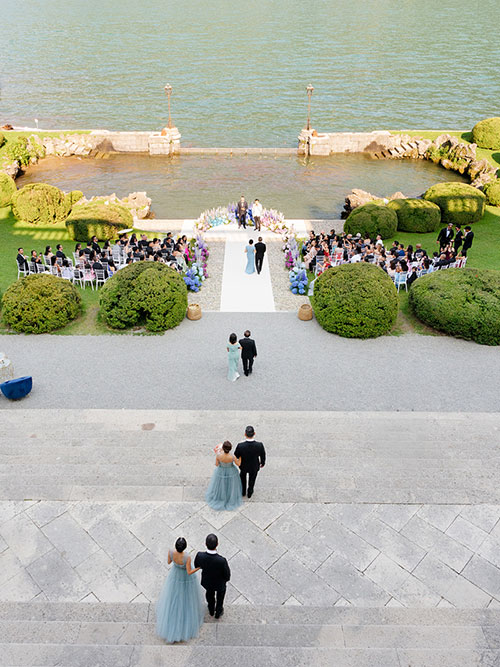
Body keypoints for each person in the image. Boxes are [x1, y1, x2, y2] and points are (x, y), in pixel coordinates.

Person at [156, 537, 204, 643]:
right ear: (185, 547)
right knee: (186, 596)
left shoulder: (171, 552)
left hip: (175, 574)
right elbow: (189, 572)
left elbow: (169, 562)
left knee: (173, 596)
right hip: (185, 577)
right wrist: (198, 568)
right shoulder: (187, 557)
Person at [194, 534, 231, 619]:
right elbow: (227, 575)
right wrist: (225, 580)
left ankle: (211, 610)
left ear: (205, 544)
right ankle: (218, 612)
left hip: (208, 582)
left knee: (209, 595)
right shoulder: (222, 560)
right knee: (220, 598)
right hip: (220, 584)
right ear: (217, 544)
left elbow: (196, 565)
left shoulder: (200, 556)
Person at [206, 441, 243, 511]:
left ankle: (221, 497)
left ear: (223, 448)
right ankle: (229, 497)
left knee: (221, 485)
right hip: (231, 471)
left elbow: (216, 464)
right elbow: (238, 464)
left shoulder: (219, 456)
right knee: (230, 485)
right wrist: (240, 457)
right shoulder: (232, 456)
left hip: (221, 470)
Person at [234, 426, 266, 499]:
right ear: (254, 433)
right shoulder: (259, 445)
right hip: (254, 466)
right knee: (252, 479)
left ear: (245, 434)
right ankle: (250, 492)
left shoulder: (240, 446)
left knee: (242, 477)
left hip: (244, 465)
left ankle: (243, 491)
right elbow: (263, 455)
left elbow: (236, 455)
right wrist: (262, 462)